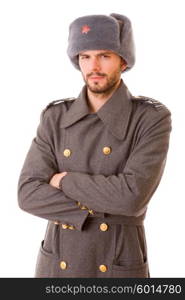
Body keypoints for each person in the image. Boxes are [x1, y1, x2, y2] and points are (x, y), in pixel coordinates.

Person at [18, 13, 172, 278]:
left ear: (123, 61)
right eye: (85, 57)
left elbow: (132, 197)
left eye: (104, 55)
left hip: (117, 261)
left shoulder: (150, 117)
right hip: (58, 263)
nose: (94, 67)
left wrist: (64, 181)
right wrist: (100, 210)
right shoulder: (56, 116)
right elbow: (28, 193)